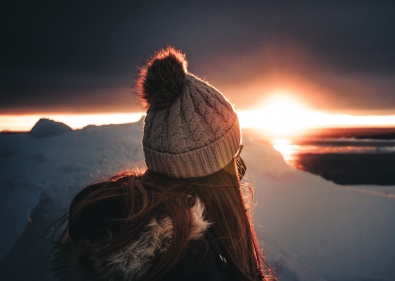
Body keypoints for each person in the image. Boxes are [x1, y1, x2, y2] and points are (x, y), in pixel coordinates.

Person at [52, 46, 276, 281]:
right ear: (213, 172)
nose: (239, 172)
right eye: (234, 160)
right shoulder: (193, 262)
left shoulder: (105, 220)